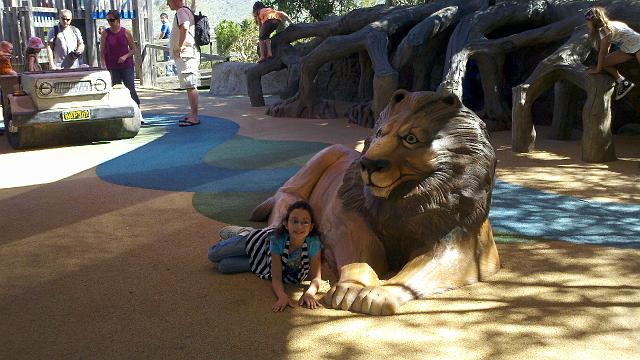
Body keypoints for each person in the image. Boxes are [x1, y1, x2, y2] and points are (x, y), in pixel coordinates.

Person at [207, 201, 323, 312]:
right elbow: (277, 279)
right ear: (286, 224)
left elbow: (316, 278)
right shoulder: (277, 239)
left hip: (266, 262)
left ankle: (245, 250)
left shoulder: (313, 243)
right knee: (213, 255)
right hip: (258, 242)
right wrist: (282, 295)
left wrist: (309, 293)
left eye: (305, 222)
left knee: (224, 266)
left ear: (311, 227)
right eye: (294, 221)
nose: (299, 226)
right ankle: (245, 232)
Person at [585, 7, 640, 100]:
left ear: (591, 22)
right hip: (628, 50)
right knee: (604, 63)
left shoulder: (605, 31)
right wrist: (599, 65)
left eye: (588, 22)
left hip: (639, 47)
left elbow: (603, 52)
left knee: (601, 62)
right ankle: (623, 82)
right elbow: (606, 49)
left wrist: (597, 70)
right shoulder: (611, 26)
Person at [167, 0, 200, 126]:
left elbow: (185, 26)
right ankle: (192, 114)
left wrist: (179, 46)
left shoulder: (181, 11)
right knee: (189, 85)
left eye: (168, 1)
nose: (167, 4)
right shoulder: (185, 11)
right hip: (188, 54)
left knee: (190, 85)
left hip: (186, 54)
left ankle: (194, 117)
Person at [99, 10, 141, 107]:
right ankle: (118, 109)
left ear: (118, 20)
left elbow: (134, 49)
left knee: (130, 87)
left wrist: (125, 56)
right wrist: (103, 64)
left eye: (112, 20)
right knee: (114, 89)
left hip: (126, 65)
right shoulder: (105, 33)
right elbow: (102, 50)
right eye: (108, 20)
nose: (110, 22)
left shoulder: (125, 32)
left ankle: (137, 108)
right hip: (112, 66)